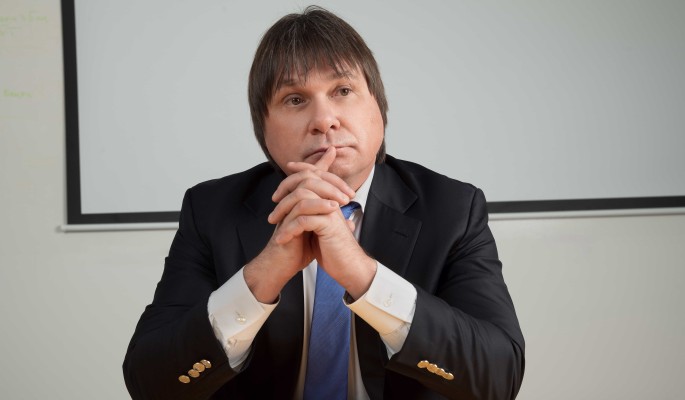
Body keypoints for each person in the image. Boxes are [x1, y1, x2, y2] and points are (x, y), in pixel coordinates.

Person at [123, 6, 524, 399]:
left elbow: (499, 378)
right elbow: (149, 384)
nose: (324, 119)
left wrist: (364, 276)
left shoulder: (453, 209)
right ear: (263, 130)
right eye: (295, 99)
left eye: (343, 91)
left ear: (379, 108)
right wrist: (260, 280)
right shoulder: (211, 210)